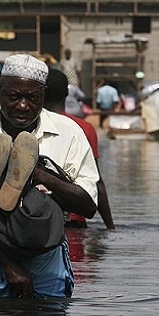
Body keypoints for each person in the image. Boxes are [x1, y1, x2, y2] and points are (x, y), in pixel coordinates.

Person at [0, 53, 99, 299]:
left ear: (43, 95)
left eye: (32, 98)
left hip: (47, 249)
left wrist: (39, 176)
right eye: (13, 97)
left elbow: (88, 206)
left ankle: (29, 175)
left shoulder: (70, 134)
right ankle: (2, 184)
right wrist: (9, 264)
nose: (23, 105)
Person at [43, 69, 115, 229]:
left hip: (38, 219)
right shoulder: (85, 128)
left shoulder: (31, 125)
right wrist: (110, 226)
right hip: (75, 220)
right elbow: (96, 180)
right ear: (67, 93)